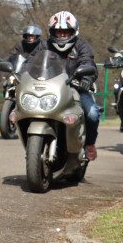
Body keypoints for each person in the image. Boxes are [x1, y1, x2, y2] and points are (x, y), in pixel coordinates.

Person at [31, 11, 99, 161]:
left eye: (66, 32)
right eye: (58, 31)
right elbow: (30, 63)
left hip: (76, 88)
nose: (62, 35)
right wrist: (21, 76)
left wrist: (86, 79)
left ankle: (89, 144)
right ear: (52, 32)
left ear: (73, 31)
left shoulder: (81, 46)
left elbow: (88, 62)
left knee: (92, 114)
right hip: (49, 88)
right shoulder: (44, 45)